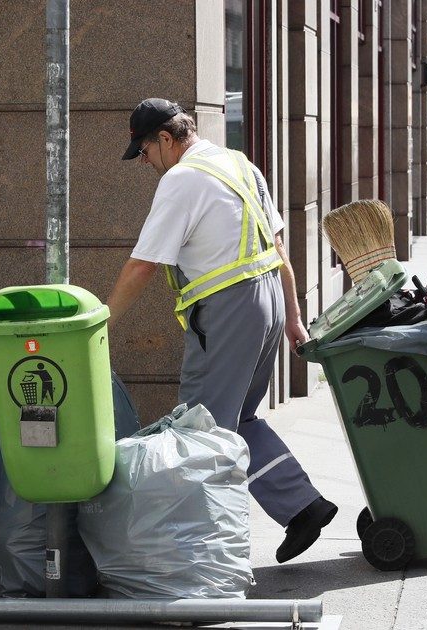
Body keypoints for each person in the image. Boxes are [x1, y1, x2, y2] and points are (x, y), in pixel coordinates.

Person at [106, 98, 337, 564]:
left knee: (200, 428)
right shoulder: (239, 165)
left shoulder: (182, 179)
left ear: (166, 140)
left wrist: (101, 322)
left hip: (229, 313)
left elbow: (143, 265)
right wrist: (292, 317)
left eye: (146, 153)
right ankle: (302, 507)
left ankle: (200, 552)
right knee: (239, 420)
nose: (147, 164)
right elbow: (277, 248)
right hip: (267, 301)